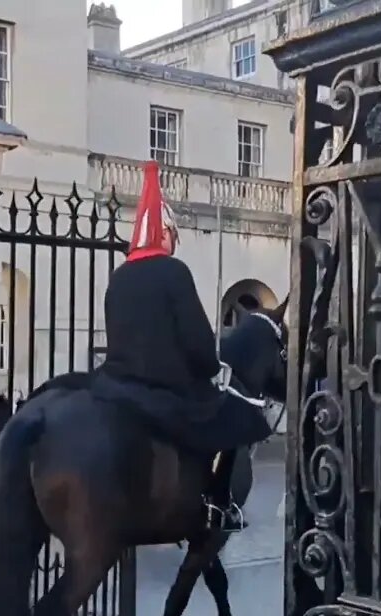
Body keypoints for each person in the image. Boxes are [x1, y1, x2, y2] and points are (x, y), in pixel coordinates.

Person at [99, 160, 270, 532]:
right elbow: (197, 342)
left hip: (115, 383)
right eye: (173, 235)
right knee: (237, 417)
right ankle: (216, 504)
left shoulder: (119, 276)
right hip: (165, 388)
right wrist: (210, 367)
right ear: (167, 233)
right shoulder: (174, 271)